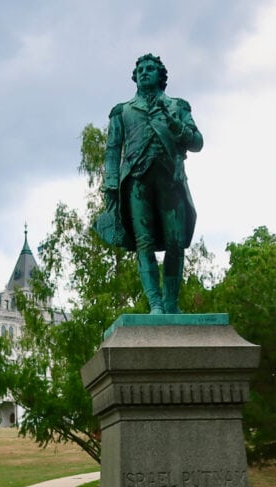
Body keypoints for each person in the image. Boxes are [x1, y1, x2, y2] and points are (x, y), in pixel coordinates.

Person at [100, 53, 203, 314]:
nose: (144, 72)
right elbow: (112, 150)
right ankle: (155, 304)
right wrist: (111, 185)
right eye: (141, 69)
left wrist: (174, 124)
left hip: (171, 179)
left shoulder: (178, 107)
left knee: (175, 242)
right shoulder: (122, 111)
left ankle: (171, 303)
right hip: (136, 180)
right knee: (143, 242)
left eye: (150, 69)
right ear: (135, 77)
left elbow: (197, 142)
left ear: (161, 76)